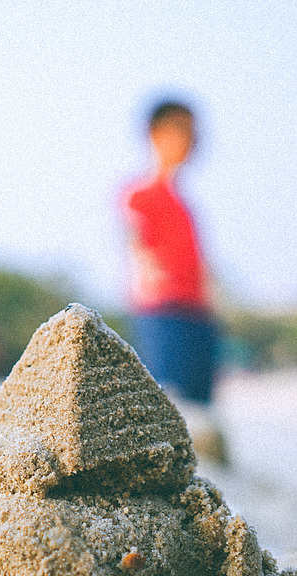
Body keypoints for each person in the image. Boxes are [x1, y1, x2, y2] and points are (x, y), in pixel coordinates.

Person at [121, 98, 226, 463]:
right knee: (172, 406)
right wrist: (151, 279)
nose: (192, 140)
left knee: (202, 409)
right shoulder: (140, 193)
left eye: (195, 133)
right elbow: (136, 244)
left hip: (198, 312)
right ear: (156, 133)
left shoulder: (184, 203)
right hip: (164, 311)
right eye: (184, 131)